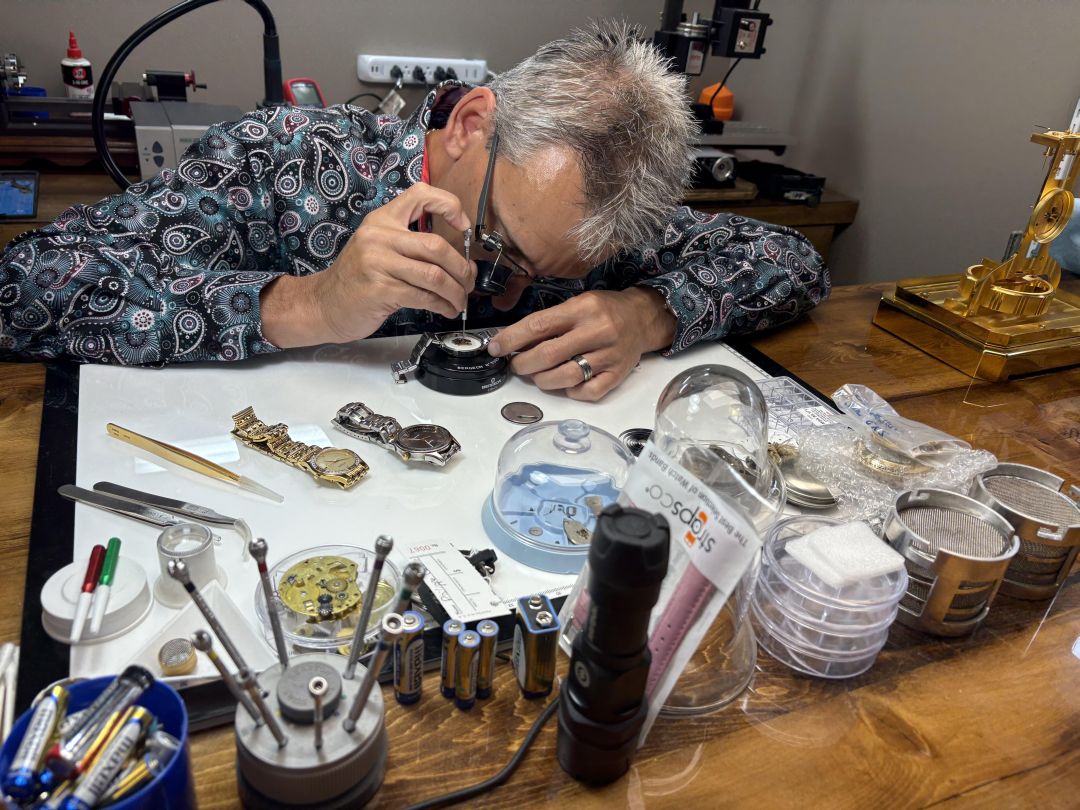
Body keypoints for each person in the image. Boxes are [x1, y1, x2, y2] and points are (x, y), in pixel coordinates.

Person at [0, 21, 828, 401]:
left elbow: (793, 260)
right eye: (497, 246)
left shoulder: (591, 218)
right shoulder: (283, 160)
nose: (507, 293)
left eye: (545, 274)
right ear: (470, 125)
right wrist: (305, 304)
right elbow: (26, 287)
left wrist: (649, 313)